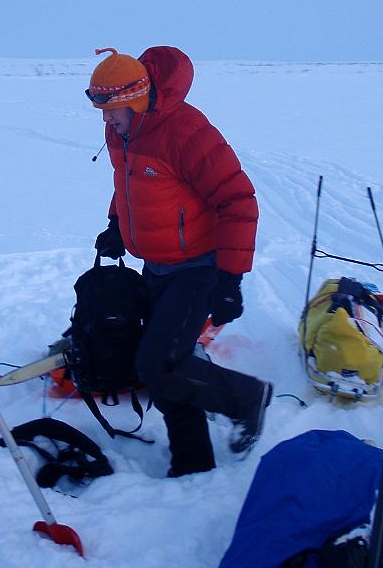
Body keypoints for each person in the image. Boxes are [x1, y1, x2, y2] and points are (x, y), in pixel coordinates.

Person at [85, 46, 273, 477]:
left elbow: (238, 200)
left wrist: (229, 278)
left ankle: (248, 398)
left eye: (112, 109)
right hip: (157, 265)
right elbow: (129, 184)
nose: (106, 120)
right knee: (163, 363)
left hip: (199, 266)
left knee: (158, 362)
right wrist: (118, 225)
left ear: (134, 100)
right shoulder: (124, 132)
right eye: (101, 109)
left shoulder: (187, 132)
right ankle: (192, 463)